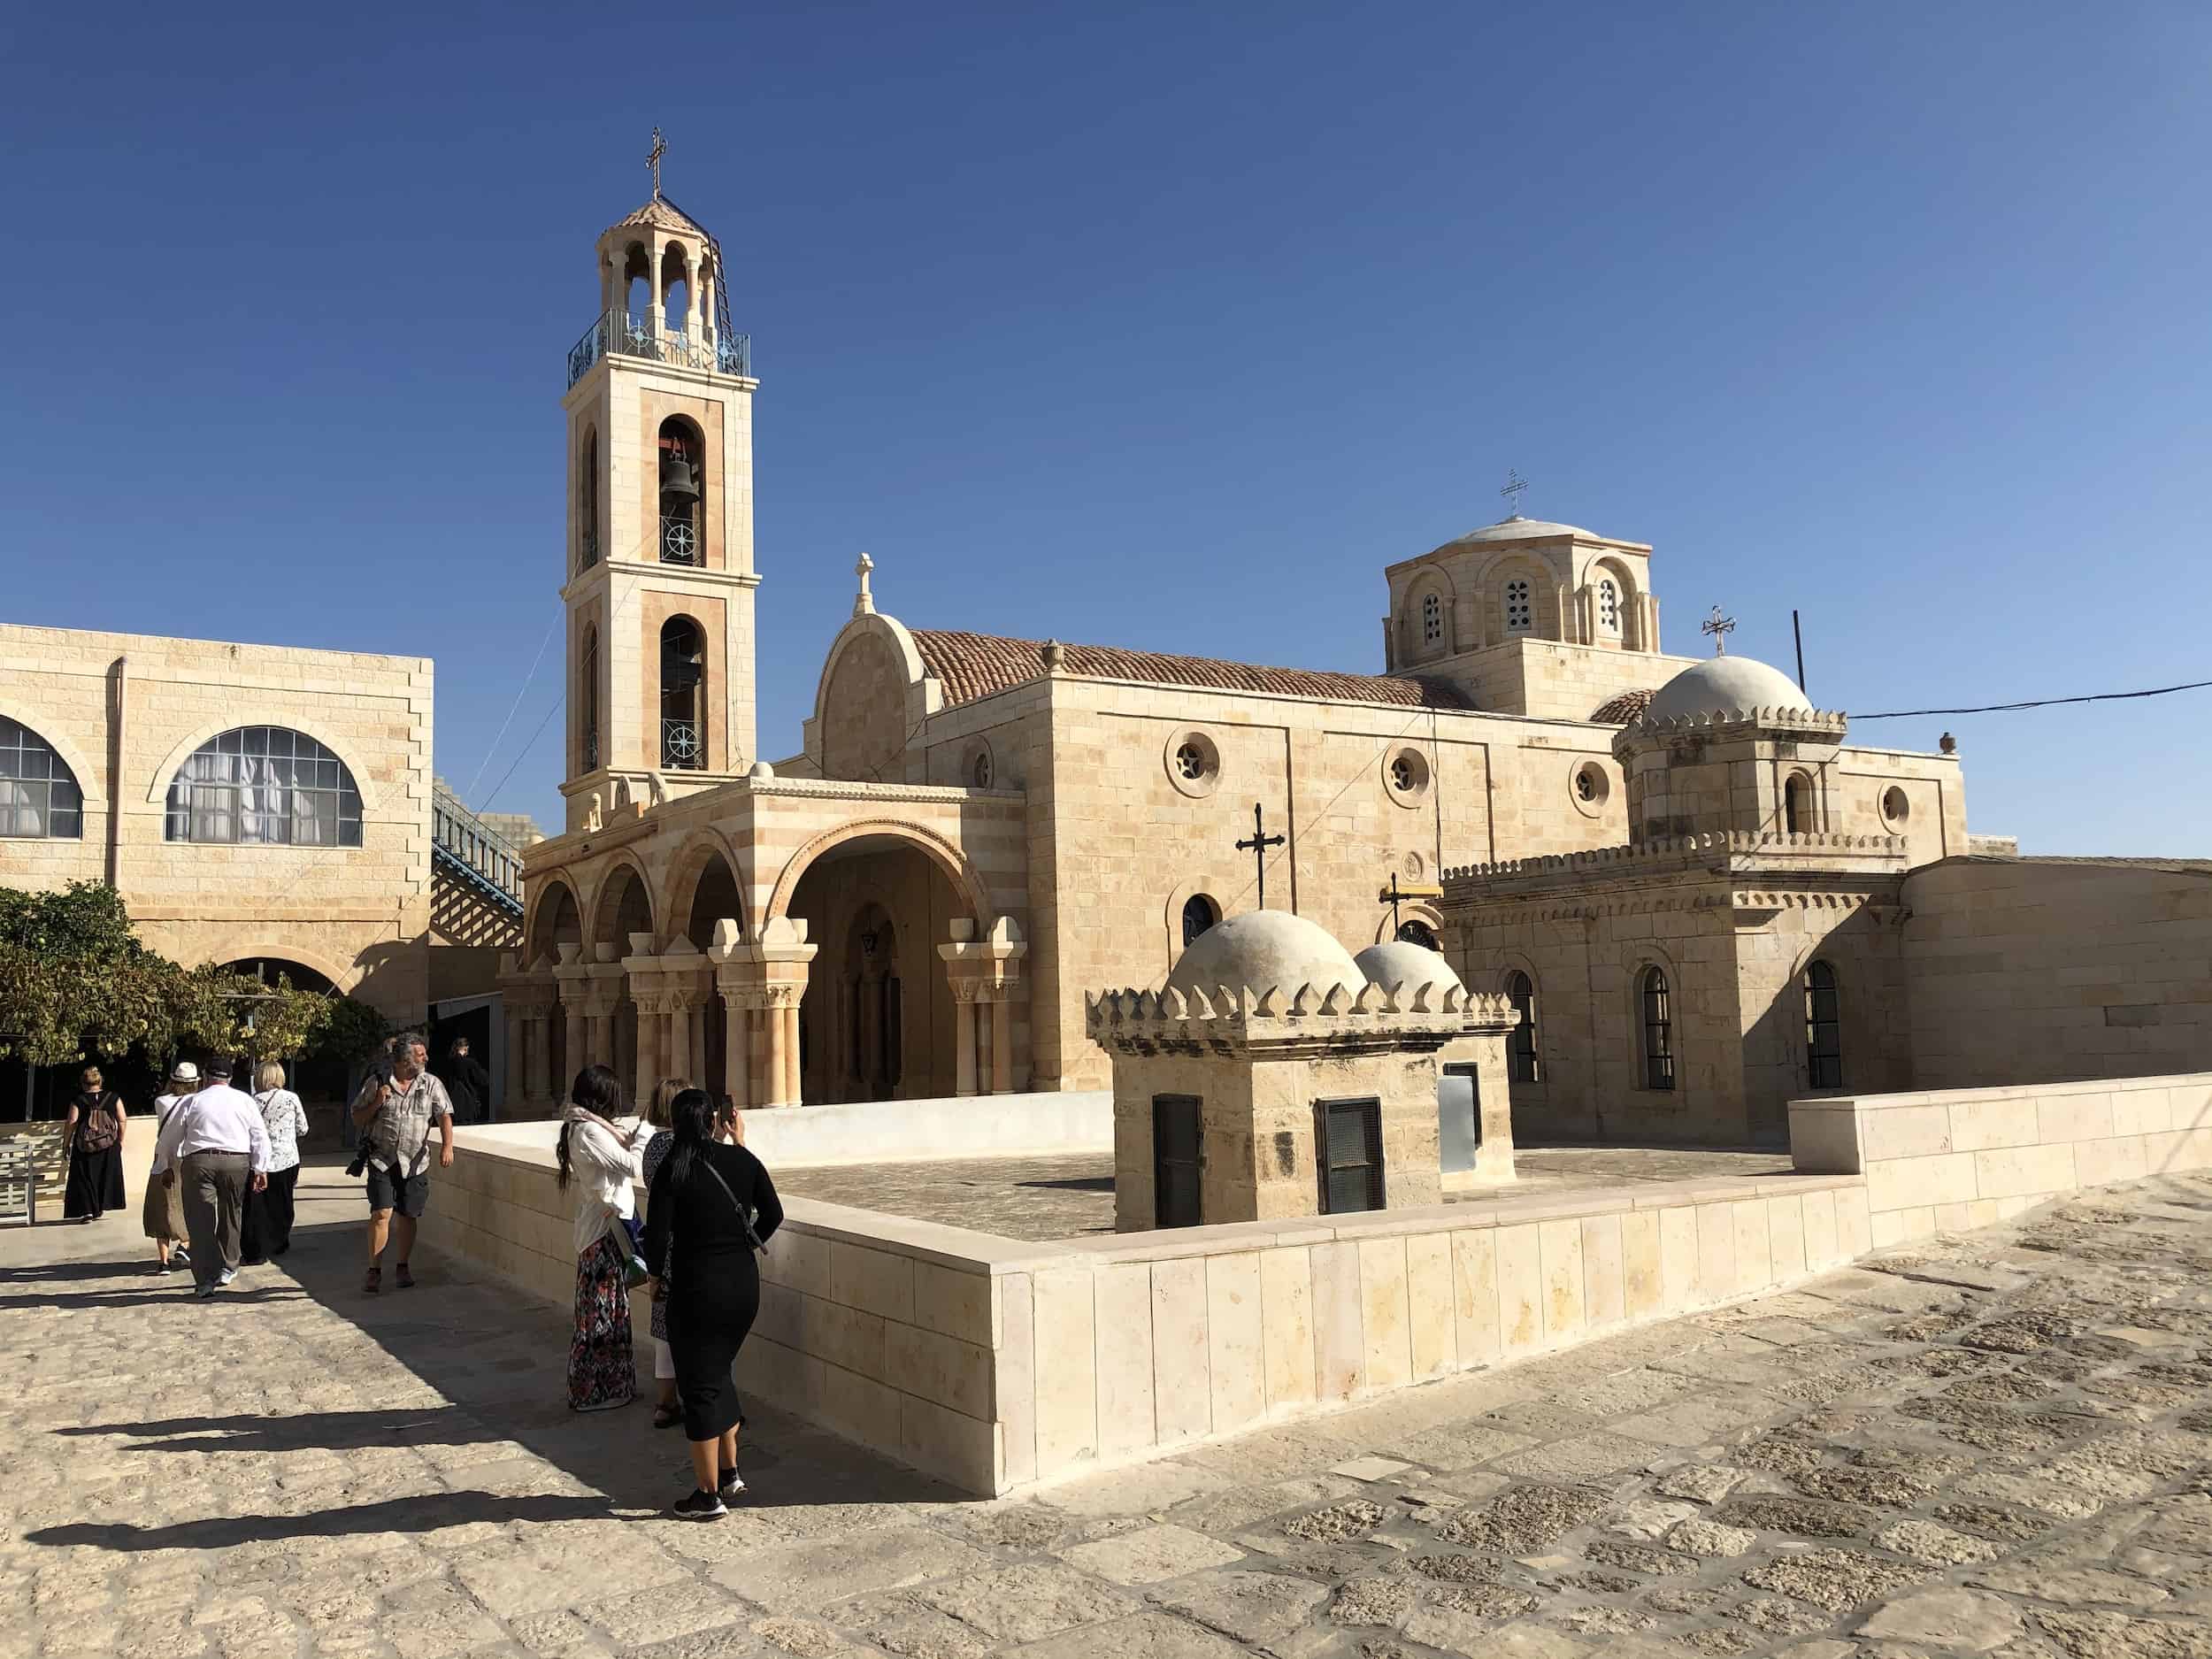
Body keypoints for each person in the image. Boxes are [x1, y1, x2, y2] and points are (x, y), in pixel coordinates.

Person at [641, 1087, 783, 1519]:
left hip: (697, 1288)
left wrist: (655, 1279)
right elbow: (773, 1214)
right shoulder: (743, 1159)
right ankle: (729, 1472)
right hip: (742, 1286)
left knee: (700, 1386)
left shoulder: (673, 1169)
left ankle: (707, 1496)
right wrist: (739, 1240)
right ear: (715, 1122)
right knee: (718, 1373)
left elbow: (657, 1237)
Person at [556, 1064, 647, 1413]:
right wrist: (642, 1136)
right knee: (599, 1313)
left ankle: (612, 1388)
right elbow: (630, 1166)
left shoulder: (588, 1127)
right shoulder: (590, 1132)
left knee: (609, 1309)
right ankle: (592, 1391)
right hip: (603, 1232)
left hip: (604, 1228)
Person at [150, 1057, 270, 1299]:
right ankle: (228, 1265)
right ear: (230, 1078)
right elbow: (259, 1135)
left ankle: (205, 1280)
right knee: (231, 1213)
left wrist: (164, 1165)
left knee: (200, 1220)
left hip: (199, 1161)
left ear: (205, 1077)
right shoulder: (244, 1100)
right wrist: (261, 1168)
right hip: (236, 1161)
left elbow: (170, 1137)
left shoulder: (193, 1101)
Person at [351, 1032, 454, 1294]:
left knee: (408, 1214)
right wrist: (377, 1101)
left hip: (415, 1160)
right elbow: (357, 1118)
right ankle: (374, 1270)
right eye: (421, 1054)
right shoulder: (377, 1083)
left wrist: (447, 1146)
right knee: (381, 1212)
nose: (426, 1058)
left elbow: (443, 1115)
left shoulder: (431, 1084)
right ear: (405, 1060)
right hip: (382, 1158)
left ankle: (402, 1265)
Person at [636, 1077, 692, 1428]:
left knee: (665, 1328)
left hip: (664, 1246)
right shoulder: (686, 1146)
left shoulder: (653, 1145)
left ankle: (665, 1402)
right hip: (689, 1245)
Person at [239, 1062, 310, 1263]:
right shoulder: (291, 1098)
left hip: (260, 1161)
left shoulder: (252, 1102)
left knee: (257, 1206)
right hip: (287, 1158)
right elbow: (303, 1128)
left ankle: (256, 1248)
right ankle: (279, 1241)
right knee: (283, 1201)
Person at [142, 1061, 197, 1272]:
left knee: (160, 1209)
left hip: (162, 1160)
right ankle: (185, 1244)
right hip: (186, 1157)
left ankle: (163, 1262)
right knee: (189, 1205)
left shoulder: (161, 1102)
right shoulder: (196, 1102)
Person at [61, 1064, 128, 1223]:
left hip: (85, 1146)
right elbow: (122, 1119)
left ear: (83, 1083)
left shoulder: (78, 1100)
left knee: (84, 1177)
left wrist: (66, 1144)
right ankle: (99, 1207)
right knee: (104, 1175)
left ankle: (87, 1211)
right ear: (100, 1081)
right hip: (109, 1144)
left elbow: (72, 1121)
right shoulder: (114, 1097)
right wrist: (120, 1140)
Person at [438, 1036, 490, 1125]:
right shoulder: (470, 1063)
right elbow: (484, 1080)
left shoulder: (447, 1063)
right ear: (466, 1048)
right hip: (468, 1104)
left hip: (449, 1105)